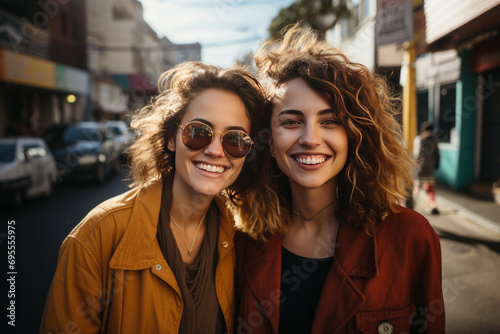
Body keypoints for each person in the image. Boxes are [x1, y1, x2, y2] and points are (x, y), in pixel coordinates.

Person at [235, 26, 445, 333]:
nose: (310, 138)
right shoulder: (241, 238)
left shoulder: (411, 237)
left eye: (330, 121)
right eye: (291, 121)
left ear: (355, 134)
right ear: (267, 139)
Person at [40, 61, 273, 333]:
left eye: (235, 139)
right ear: (172, 137)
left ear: (247, 152)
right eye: (199, 132)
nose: (214, 151)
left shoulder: (240, 234)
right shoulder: (96, 237)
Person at [414, 121, 441, 215]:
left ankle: (412, 208)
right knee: (430, 188)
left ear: (423, 130)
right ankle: (433, 205)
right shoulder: (434, 141)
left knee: (417, 187)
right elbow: (437, 155)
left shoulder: (420, 140)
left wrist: (415, 166)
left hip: (421, 169)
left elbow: (418, 155)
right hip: (430, 169)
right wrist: (436, 165)